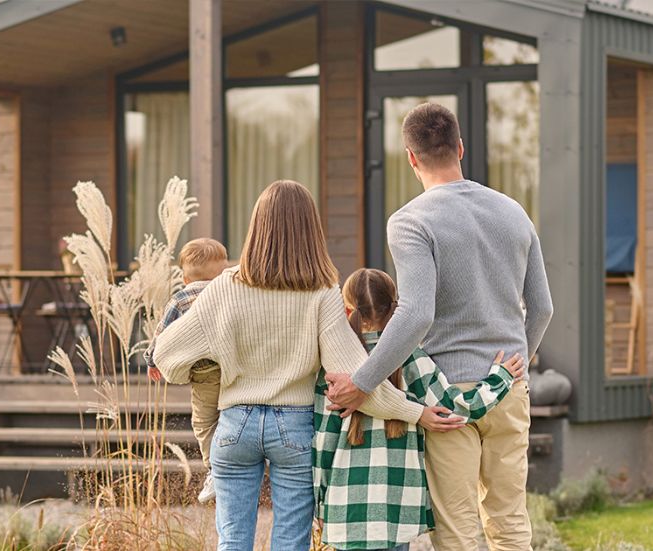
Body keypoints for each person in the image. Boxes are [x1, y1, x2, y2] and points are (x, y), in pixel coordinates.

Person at [152, 181, 462, 551]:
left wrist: (215, 364)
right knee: (290, 543)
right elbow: (358, 383)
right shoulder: (322, 293)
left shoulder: (223, 287)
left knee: (232, 541)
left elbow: (166, 356)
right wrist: (417, 412)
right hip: (293, 430)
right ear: (310, 230)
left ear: (256, 227)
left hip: (235, 426)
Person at [325, 103, 554, 551]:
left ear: (411, 158)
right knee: (510, 519)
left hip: (447, 395)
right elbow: (542, 308)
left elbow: (415, 314)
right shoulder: (514, 213)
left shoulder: (411, 221)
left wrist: (362, 382)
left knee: (458, 528)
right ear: (461, 148)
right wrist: (516, 365)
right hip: (508, 386)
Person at [314, 268, 524, 551]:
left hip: (345, 509)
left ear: (347, 308)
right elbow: (457, 410)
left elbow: (322, 443)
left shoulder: (333, 364)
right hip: (398, 509)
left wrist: (320, 504)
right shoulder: (410, 356)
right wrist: (501, 378)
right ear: (396, 308)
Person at [145, 237, 229, 503]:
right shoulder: (230, 293)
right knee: (230, 416)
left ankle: (215, 470)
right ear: (223, 271)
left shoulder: (180, 299)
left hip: (204, 374)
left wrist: (151, 360)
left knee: (204, 422)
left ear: (184, 278)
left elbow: (161, 334)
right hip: (234, 368)